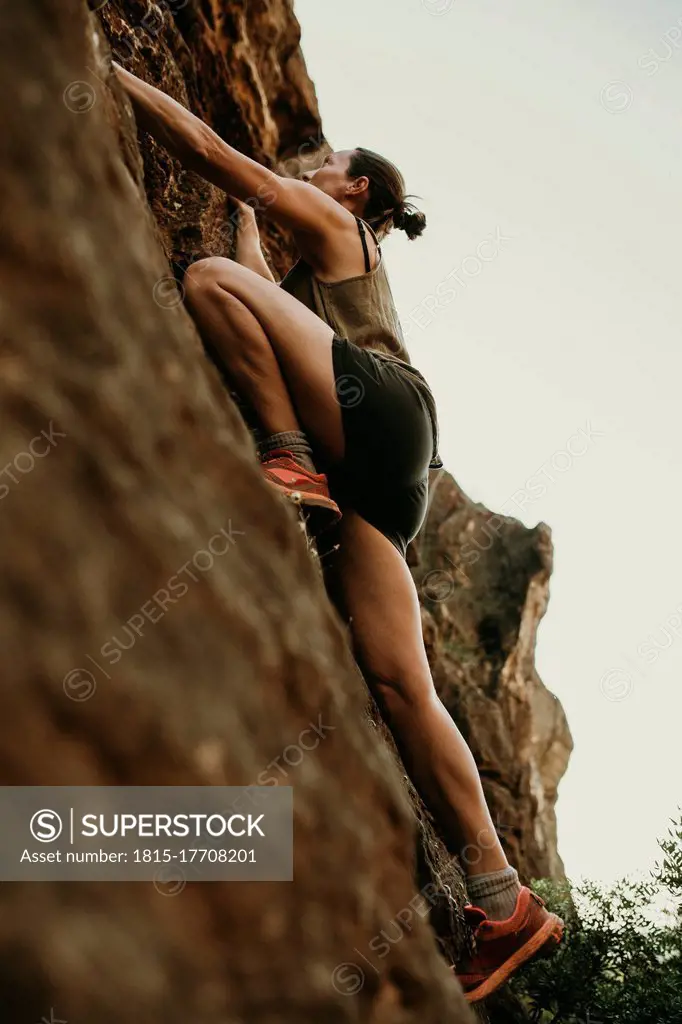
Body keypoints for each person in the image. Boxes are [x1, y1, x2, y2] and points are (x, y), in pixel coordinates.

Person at [113, 62, 563, 1002]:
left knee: (203, 279)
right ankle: (502, 896)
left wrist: (100, 64)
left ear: (355, 188)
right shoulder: (319, 267)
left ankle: (286, 454)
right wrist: (248, 219)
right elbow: (256, 253)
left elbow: (210, 156)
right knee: (402, 684)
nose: (305, 167)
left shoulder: (342, 224)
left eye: (320, 160)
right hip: (388, 481)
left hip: (379, 412)